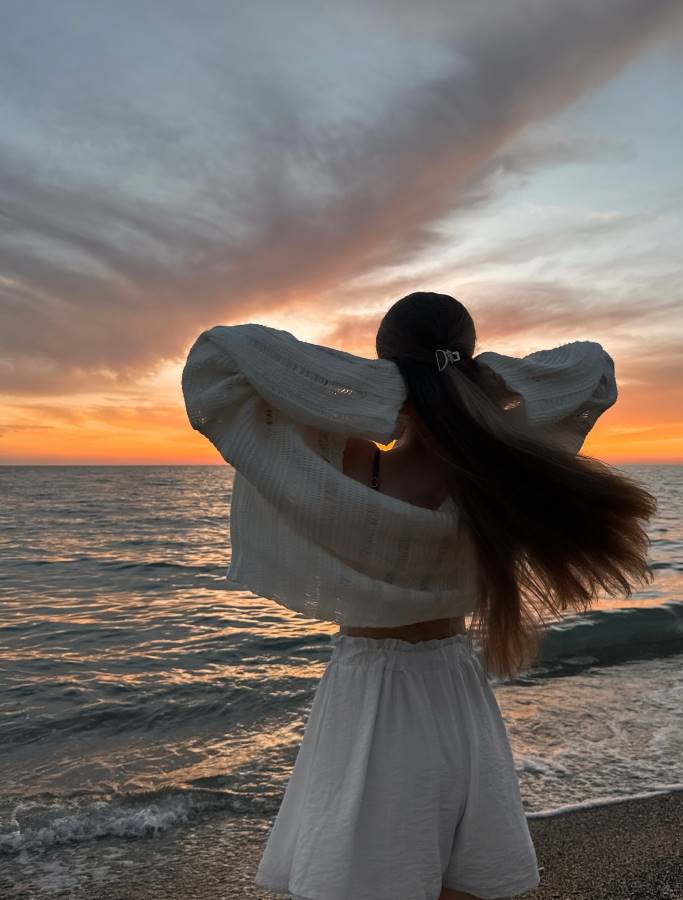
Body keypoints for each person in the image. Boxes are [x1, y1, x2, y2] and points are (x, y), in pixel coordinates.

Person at [181, 291, 657, 900]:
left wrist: (386, 386)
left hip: (370, 690)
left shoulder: (352, 476)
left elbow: (222, 359)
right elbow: (591, 368)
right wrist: (473, 378)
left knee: (365, 876)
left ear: (384, 368)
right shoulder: (497, 478)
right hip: (454, 684)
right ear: (470, 361)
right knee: (460, 878)